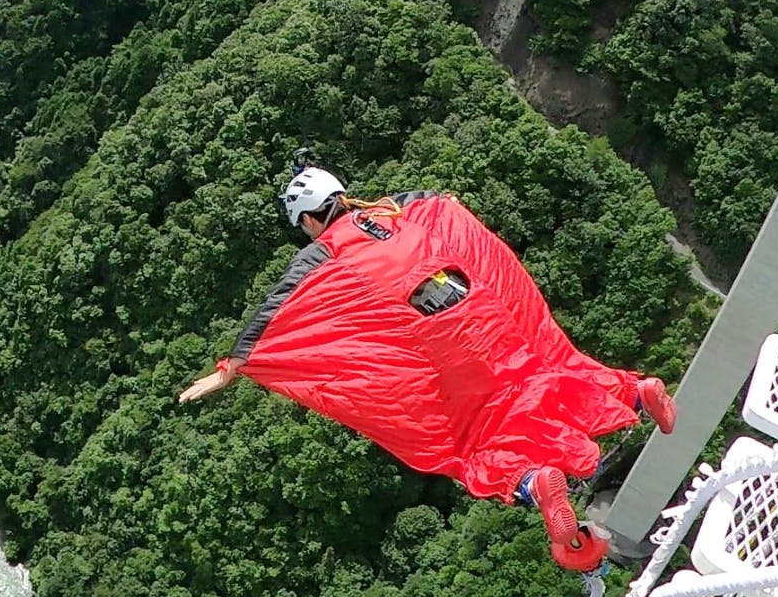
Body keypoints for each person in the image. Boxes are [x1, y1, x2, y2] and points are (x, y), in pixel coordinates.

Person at [179, 160, 677, 570]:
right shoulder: (402, 211)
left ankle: (533, 481)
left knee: (467, 445)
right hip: (484, 311)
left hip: (446, 347)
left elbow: (281, 312)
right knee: (543, 371)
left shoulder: (324, 258)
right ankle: (633, 392)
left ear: (309, 221)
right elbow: (445, 206)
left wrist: (232, 366)